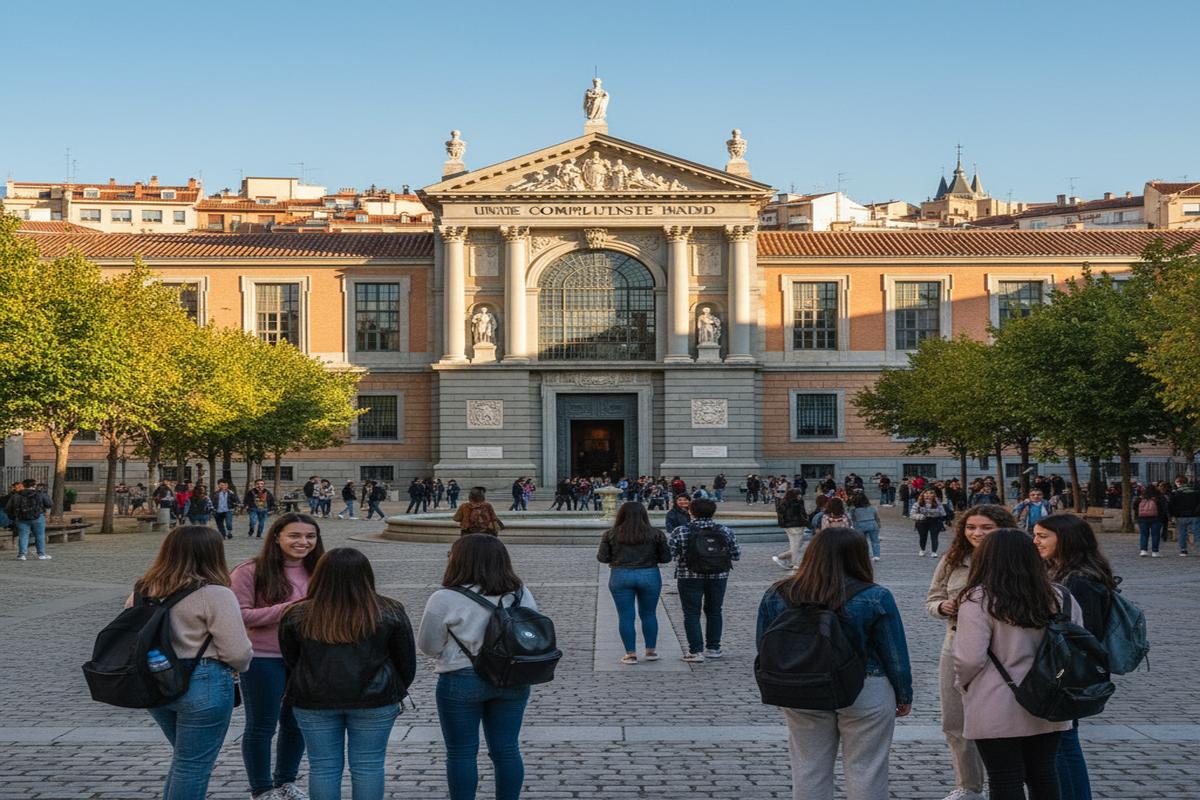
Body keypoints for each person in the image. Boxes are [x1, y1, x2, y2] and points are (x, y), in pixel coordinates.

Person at [756, 527, 913, 800]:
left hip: (803, 684)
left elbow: (765, 644)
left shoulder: (778, 593)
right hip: (866, 686)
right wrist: (903, 693)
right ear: (858, 557)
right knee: (867, 769)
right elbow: (894, 652)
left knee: (808, 768)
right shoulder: (875, 596)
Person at [953, 528, 1082, 800]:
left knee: (1004, 777)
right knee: (1044, 773)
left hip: (995, 698)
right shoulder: (1060, 596)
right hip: (1050, 697)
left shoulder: (978, 599)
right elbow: (1076, 646)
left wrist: (962, 685)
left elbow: (969, 658)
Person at [280, 548, 416, 800]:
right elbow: (405, 661)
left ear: (320, 575)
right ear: (366, 575)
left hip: (313, 698)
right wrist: (393, 687)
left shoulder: (297, 614)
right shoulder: (389, 610)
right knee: (369, 765)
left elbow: (291, 659)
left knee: (323, 767)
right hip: (375, 698)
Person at [128, 525, 253, 800]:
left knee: (184, 759)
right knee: (193, 765)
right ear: (213, 554)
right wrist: (240, 667)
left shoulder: (142, 590)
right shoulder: (215, 594)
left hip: (154, 680)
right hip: (204, 680)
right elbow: (237, 651)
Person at [417, 534, 539, 800]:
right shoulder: (520, 593)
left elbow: (428, 646)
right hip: (512, 676)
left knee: (461, 752)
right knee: (507, 750)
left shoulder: (444, 598)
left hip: (461, 678)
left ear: (459, 560)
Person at [926, 505, 1018, 800]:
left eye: (986, 528)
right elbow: (933, 598)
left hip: (1005, 649)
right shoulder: (953, 559)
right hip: (956, 644)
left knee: (1005, 718)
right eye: (971, 527)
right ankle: (967, 785)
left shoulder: (1017, 559)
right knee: (955, 719)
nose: (977, 533)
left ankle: (1010, 781)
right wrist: (943, 607)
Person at [231, 513, 325, 800]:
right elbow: (239, 615)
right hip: (263, 657)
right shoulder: (250, 571)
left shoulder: (321, 569)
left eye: (310, 536)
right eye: (294, 535)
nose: (303, 542)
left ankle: (286, 781)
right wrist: (289, 608)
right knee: (262, 725)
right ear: (276, 537)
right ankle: (261, 789)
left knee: (296, 722)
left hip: (306, 658)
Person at [1033, 514, 1119, 800]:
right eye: (1035, 535)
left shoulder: (1079, 580)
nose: (1036, 541)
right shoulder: (1066, 572)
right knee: (1060, 743)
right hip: (1066, 670)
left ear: (1067, 539)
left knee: (1063, 743)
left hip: (1068, 673)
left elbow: (1082, 634)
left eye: (1043, 536)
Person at [597, 502, 672, 664]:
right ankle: (651, 651)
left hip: (621, 575)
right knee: (649, 614)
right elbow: (666, 558)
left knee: (625, 616)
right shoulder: (656, 534)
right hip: (649, 574)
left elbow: (602, 558)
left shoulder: (610, 534)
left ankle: (630, 654)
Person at [667, 498, 741, 662]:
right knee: (715, 611)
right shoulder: (725, 531)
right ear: (713, 512)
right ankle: (713, 648)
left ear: (691, 511)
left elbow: (670, 554)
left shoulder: (681, 531)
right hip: (718, 576)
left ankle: (695, 651)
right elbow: (736, 555)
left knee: (691, 613)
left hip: (688, 576)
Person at [5, 478, 52, 561]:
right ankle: (41, 554)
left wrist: (14, 517)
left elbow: (8, 509)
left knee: (23, 536)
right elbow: (49, 504)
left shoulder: (16, 495)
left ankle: (22, 555)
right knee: (40, 536)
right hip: (38, 517)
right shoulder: (39, 494)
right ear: (34, 485)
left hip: (22, 518)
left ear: (23, 485)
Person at [772, 488, 809, 570]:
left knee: (795, 545)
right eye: (799, 494)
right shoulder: (797, 503)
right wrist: (807, 523)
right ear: (795, 495)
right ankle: (795, 563)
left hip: (788, 527)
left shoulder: (784, 502)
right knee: (797, 546)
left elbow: (782, 515)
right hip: (797, 526)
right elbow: (802, 515)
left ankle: (785, 558)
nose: (800, 496)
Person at [1169, 475, 1200, 556]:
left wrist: (1172, 515)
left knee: (1182, 533)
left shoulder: (1175, 493)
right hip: (1194, 515)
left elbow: (1171, 505)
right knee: (1197, 533)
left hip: (1180, 516)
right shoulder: (1195, 492)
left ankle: (1183, 550)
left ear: (1178, 482)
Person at [1134, 484, 1167, 557]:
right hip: (1156, 518)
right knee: (1155, 535)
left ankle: (1143, 550)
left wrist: (1138, 516)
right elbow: (1164, 507)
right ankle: (1155, 551)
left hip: (1142, 518)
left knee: (1144, 534)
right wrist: (1162, 517)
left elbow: (1135, 507)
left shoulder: (1140, 498)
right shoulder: (1159, 497)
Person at [912, 489, 947, 557]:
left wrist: (933, 512)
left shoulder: (938, 503)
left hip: (935, 521)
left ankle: (934, 552)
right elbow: (912, 514)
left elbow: (943, 513)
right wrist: (920, 516)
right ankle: (922, 550)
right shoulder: (918, 503)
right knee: (923, 537)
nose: (928, 495)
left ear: (933, 495)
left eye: (930, 493)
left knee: (934, 537)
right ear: (923, 494)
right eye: (926, 493)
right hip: (922, 521)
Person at [850, 492, 883, 561]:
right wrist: (879, 525)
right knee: (875, 541)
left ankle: (863, 555)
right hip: (873, 524)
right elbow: (877, 517)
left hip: (860, 525)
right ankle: (876, 556)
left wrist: (854, 527)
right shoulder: (872, 508)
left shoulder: (854, 510)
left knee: (861, 542)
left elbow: (853, 519)